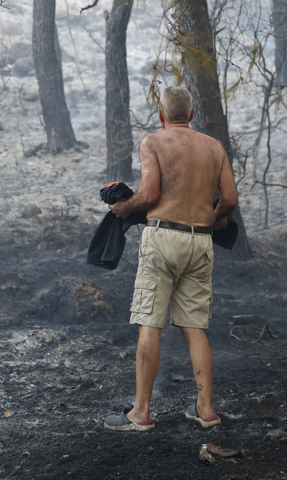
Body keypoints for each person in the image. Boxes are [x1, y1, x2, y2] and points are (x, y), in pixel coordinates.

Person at [104, 85, 238, 432]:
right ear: (192, 115)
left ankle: (141, 413)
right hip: (200, 241)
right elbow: (231, 200)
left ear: (161, 115)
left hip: (162, 238)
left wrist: (125, 208)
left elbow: (149, 194)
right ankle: (206, 410)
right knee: (195, 328)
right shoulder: (214, 147)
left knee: (150, 325)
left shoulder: (153, 142)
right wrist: (213, 217)